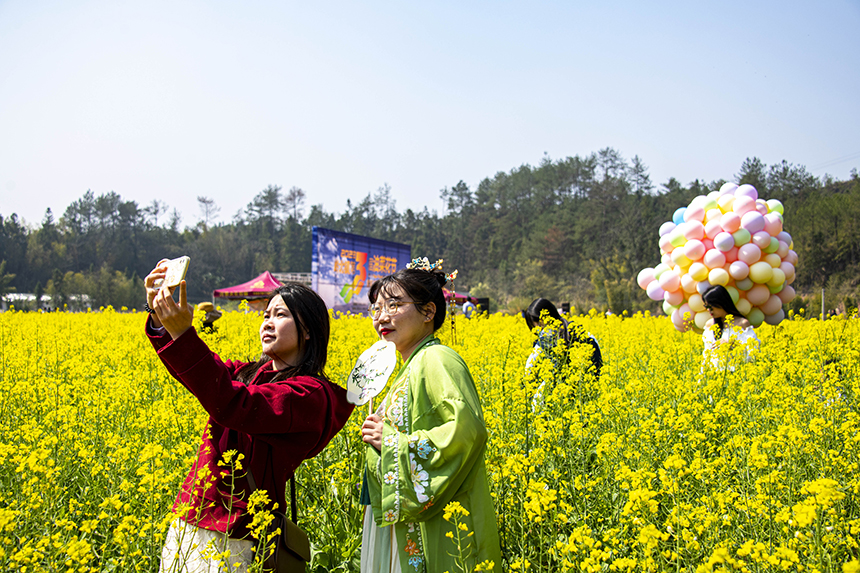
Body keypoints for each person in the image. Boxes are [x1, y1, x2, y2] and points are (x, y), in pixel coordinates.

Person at [144, 259, 354, 573]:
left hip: (240, 531)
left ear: (308, 330)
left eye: (280, 315)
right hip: (194, 516)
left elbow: (232, 402)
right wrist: (160, 317)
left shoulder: (311, 395)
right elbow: (200, 374)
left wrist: (185, 334)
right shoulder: (247, 373)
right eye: (266, 314)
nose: (267, 323)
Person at [359, 259, 501, 573]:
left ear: (428, 312)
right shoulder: (408, 367)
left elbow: (467, 431)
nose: (382, 316)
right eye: (376, 307)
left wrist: (395, 443)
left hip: (440, 524)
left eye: (394, 305)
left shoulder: (438, 358)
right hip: (405, 520)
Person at [523, 297, 602, 381]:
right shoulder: (540, 345)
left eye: (543, 327)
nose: (542, 334)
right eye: (536, 331)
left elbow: (595, 372)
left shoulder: (582, 338)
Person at [701, 285, 759, 368]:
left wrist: (732, 344)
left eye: (710, 306)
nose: (708, 310)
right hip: (716, 375)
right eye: (706, 306)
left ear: (721, 303)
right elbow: (706, 356)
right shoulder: (710, 325)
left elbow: (753, 352)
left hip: (738, 372)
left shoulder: (742, 323)